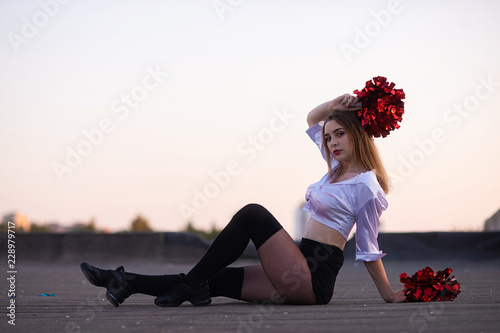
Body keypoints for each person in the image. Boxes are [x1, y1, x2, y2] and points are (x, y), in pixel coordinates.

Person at [80, 93, 407, 307]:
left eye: (340, 134)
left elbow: (368, 249)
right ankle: (124, 281)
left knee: (253, 214)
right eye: (329, 136)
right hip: (294, 263)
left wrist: (389, 296)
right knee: (213, 280)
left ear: (358, 135)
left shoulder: (366, 186)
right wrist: (339, 104)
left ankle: (183, 285)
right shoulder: (335, 169)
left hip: (312, 277)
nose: (332, 142)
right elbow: (311, 118)